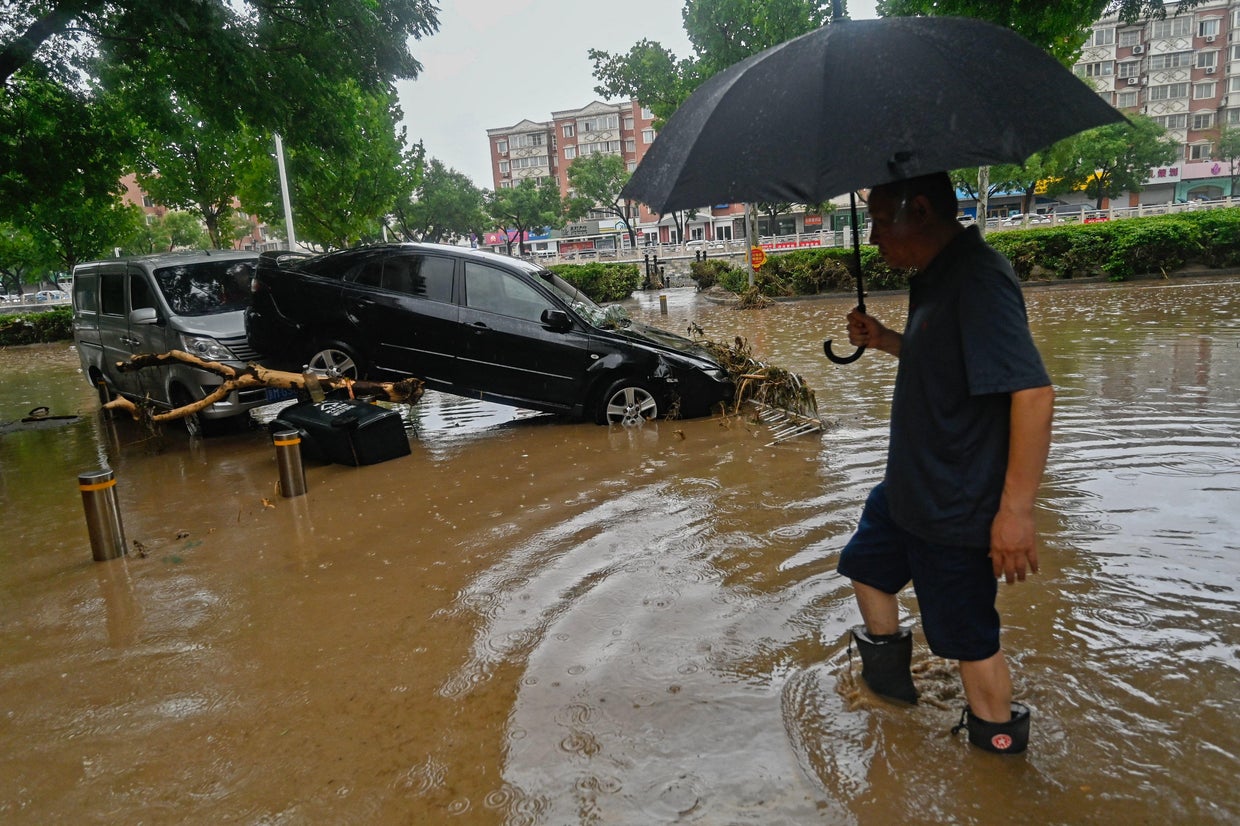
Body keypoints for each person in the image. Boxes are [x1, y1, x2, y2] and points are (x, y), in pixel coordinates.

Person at [836, 171, 1054, 754]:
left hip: (955, 501)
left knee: (967, 639)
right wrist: (886, 340)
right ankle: (891, 704)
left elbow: (1033, 393)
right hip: (907, 488)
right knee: (866, 568)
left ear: (921, 211)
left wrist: (1016, 512)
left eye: (879, 221)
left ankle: (997, 758)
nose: (873, 238)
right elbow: (947, 359)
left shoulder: (978, 278)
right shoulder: (934, 276)